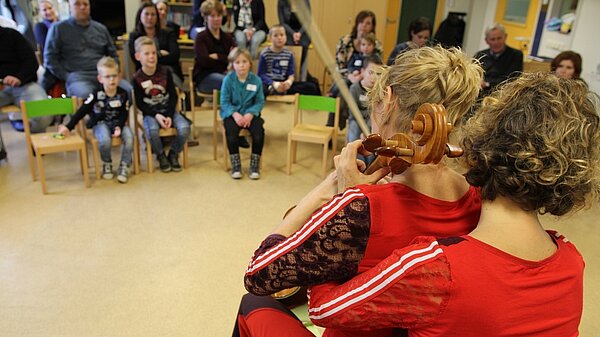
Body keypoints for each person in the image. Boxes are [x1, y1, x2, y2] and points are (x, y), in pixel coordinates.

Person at [306, 73, 599, 337]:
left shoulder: (435, 268)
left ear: (483, 143)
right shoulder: (572, 261)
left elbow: (322, 310)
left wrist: (345, 201)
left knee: (259, 307)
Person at [235, 46, 484, 337]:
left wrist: (330, 193)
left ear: (388, 100)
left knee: (252, 304)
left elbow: (258, 274)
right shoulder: (477, 196)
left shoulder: (362, 209)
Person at [58, 57, 133, 183]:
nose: (111, 80)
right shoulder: (96, 94)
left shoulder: (123, 94)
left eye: (114, 76)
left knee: (130, 137)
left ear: (119, 77)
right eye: (107, 76)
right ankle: (107, 163)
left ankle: (124, 165)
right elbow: (82, 111)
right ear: (100, 79)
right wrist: (68, 126)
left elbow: (124, 113)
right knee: (105, 140)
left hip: (117, 124)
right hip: (101, 123)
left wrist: (119, 126)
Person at [132, 36, 190, 173]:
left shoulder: (165, 72)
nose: (152, 57)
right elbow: (140, 104)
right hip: (151, 113)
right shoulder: (137, 78)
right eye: (147, 54)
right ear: (138, 56)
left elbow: (173, 95)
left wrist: (169, 115)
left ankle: (173, 153)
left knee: (185, 127)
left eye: (153, 53)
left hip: (168, 110)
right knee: (152, 131)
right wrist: (156, 115)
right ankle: (160, 155)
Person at [44, 0, 124, 99]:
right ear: (69, 6)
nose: (82, 7)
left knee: (128, 91)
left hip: (105, 74)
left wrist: (114, 72)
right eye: (77, 4)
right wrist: (66, 76)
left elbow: (113, 54)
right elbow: (50, 59)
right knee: (87, 96)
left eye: (85, 4)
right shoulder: (58, 29)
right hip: (78, 77)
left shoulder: (101, 29)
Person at [328, 10, 382, 130]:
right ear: (357, 23)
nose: (364, 25)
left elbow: (377, 66)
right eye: (361, 22)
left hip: (367, 80)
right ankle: (332, 126)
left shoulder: (376, 45)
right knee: (342, 89)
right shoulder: (346, 41)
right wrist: (351, 76)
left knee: (344, 93)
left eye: (368, 23)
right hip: (348, 77)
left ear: (372, 26)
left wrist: (364, 76)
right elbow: (340, 67)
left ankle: (336, 124)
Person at [220, 47, 265, 180]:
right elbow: (224, 102)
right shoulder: (228, 80)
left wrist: (250, 114)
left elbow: (260, 101)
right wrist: (235, 114)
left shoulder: (256, 80)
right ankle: (236, 166)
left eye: (244, 61)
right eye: (237, 62)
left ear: (250, 63)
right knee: (231, 134)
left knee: (259, 134)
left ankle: (254, 166)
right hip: (232, 114)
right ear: (232, 65)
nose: (241, 65)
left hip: (251, 114)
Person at [0, 26, 52, 134]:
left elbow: (31, 62)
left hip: (24, 85)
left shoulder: (12, 35)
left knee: (44, 114)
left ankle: (35, 140)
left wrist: (19, 78)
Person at [128, 2, 183, 88]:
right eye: (146, 14)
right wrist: (159, 53)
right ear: (140, 16)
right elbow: (135, 59)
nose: (150, 17)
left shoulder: (168, 33)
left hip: (169, 71)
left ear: (157, 17)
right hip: (144, 73)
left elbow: (174, 56)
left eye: (153, 14)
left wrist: (147, 58)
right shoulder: (134, 36)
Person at [257, 24, 320, 96]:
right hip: (269, 83)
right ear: (270, 38)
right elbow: (261, 75)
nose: (279, 38)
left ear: (286, 37)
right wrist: (274, 84)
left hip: (284, 83)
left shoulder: (289, 54)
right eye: (276, 35)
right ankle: (273, 90)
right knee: (260, 89)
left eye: (282, 35)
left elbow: (291, 74)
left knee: (312, 87)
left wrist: (288, 82)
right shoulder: (265, 53)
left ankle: (281, 91)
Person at [193, 0, 236, 94]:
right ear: (206, 18)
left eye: (219, 16)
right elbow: (204, 61)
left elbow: (235, 57)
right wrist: (225, 59)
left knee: (244, 79)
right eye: (212, 16)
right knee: (231, 82)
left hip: (225, 74)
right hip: (205, 77)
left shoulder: (227, 38)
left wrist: (218, 56)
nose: (216, 19)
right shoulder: (201, 37)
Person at [346, 55, 382, 166]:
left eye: (378, 74)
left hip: (372, 120)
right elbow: (353, 112)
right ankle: (358, 164)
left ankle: (369, 167)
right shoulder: (354, 89)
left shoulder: (378, 91)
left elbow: (377, 113)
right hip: (356, 120)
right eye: (371, 73)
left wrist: (367, 128)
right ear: (362, 72)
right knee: (354, 135)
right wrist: (363, 125)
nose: (374, 77)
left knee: (372, 138)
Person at [474, 23, 523, 97]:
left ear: (505, 37)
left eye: (499, 38)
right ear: (486, 40)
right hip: (480, 94)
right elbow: (473, 75)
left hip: (503, 95)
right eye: (492, 39)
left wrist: (487, 84)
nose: (496, 42)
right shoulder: (480, 55)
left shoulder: (516, 55)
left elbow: (513, 79)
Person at [278, 0, 310, 81]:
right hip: (288, 31)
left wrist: (299, 33)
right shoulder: (281, 1)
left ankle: (302, 79)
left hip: (302, 31)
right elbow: (282, 22)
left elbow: (307, 20)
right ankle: (288, 77)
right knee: (288, 49)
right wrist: (293, 33)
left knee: (304, 47)